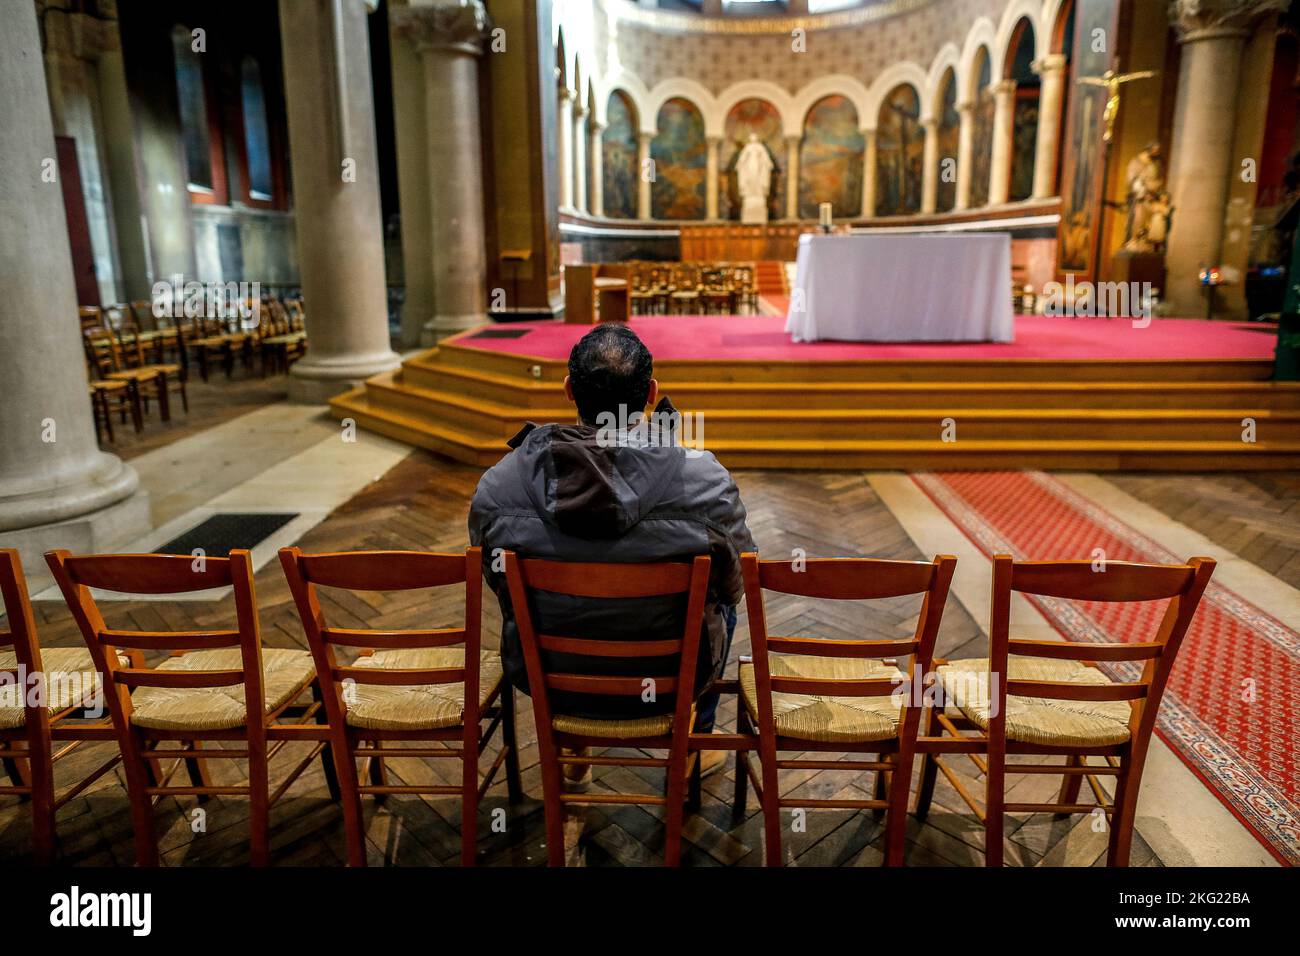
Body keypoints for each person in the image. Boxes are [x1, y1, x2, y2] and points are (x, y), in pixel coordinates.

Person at [469, 322, 754, 786]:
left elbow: (494, 578)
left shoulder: (500, 485)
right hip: (668, 681)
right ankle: (690, 745)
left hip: (555, 678)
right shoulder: (707, 482)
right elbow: (739, 585)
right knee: (721, 599)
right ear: (651, 394)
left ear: (568, 390)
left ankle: (573, 747)